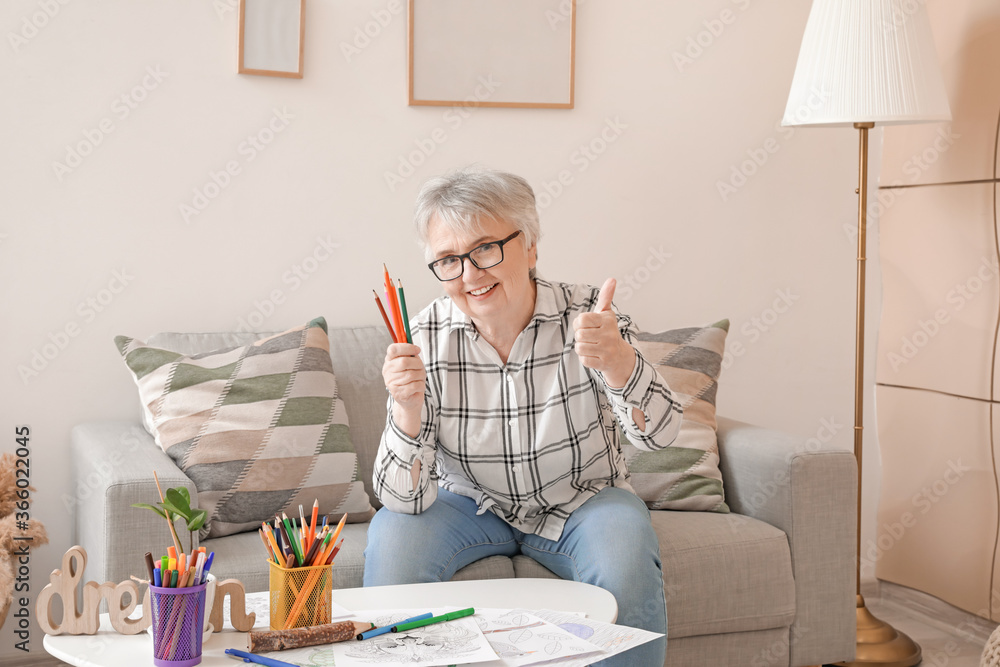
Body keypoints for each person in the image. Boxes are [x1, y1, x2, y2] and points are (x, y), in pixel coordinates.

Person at [365, 166, 683, 666]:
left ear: (530, 245)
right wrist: (406, 411)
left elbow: (663, 438)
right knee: (391, 536)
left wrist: (622, 362)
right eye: (449, 260)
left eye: (485, 249)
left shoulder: (591, 318)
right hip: (467, 505)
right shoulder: (422, 336)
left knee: (626, 548)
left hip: (584, 500)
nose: (470, 275)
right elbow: (401, 499)